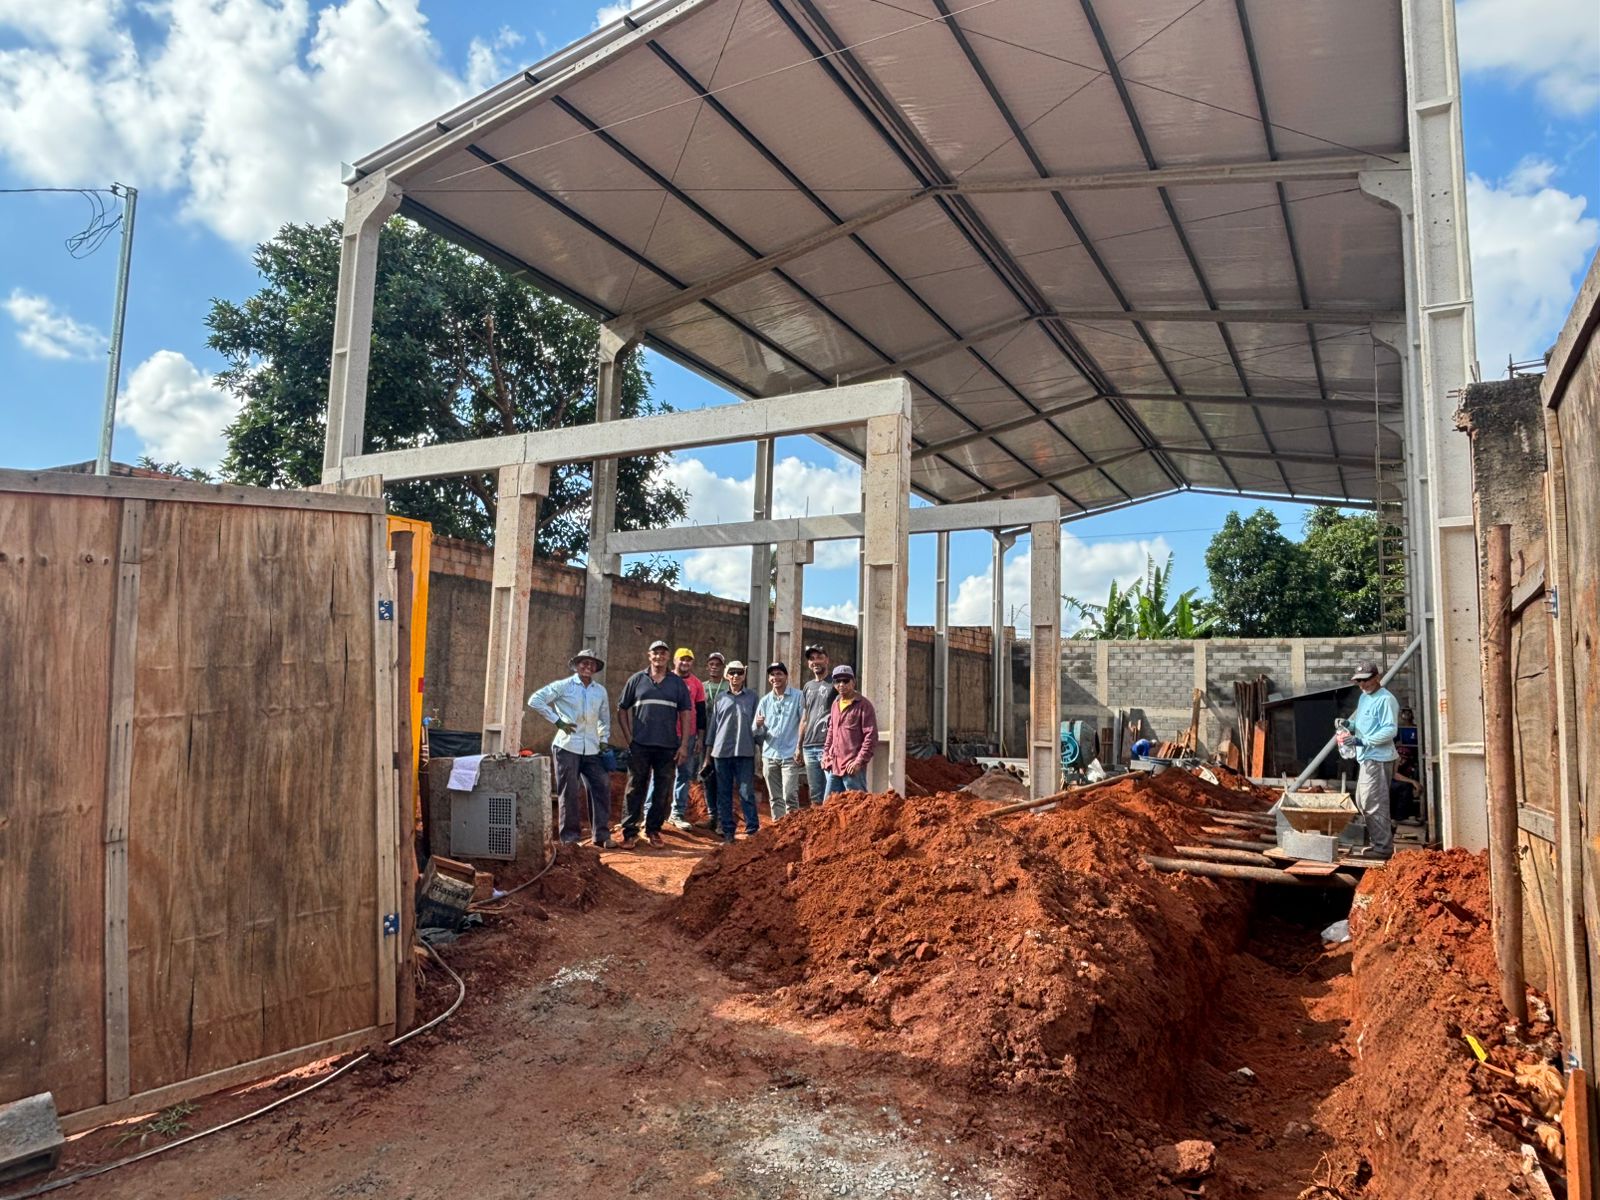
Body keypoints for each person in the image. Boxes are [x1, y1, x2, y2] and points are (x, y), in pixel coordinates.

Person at [527, 650, 612, 847]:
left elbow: (604, 717)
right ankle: (570, 839)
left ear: (595, 668)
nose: (588, 667)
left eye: (592, 664)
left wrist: (604, 738)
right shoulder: (564, 686)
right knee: (569, 791)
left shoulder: (600, 691)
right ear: (576, 665)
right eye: (584, 663)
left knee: (602, 785)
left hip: (592, 747)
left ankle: (601, 835)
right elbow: (535, 700)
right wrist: (558, 722)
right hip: (567, 746)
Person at [615, 640, 693, 848]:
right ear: (649, 656)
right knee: (634, 787)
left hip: (667, 746)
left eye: (663, 653)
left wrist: (683, 745)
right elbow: (621, 709)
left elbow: (686, 713)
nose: (659, 657)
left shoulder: (676, 683)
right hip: (640, 745)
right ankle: (630, 832)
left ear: (668, 658)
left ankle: (653, 830)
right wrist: (629, 738)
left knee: (662, 789)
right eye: (655, 653)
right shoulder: (636, 680)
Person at [1335, 661, 1400, 859]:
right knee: (1363, 802)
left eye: (1366, 681)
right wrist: (1349, 724)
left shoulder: (1386, 700)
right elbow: (1363, 724)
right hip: (1367, 757)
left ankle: (1383, 848)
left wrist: (1362, 740)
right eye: (1359, 681)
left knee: (1374, 803)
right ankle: (1382, 837)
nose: (1362, 685)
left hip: (1378, 758)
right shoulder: (1364, 698)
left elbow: (1390, 730)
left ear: (1377, 678)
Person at [706, 660, 759, 843]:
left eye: (739, 673)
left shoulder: (752, 697)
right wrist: (708, 756)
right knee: (724, 793)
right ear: (727, 675)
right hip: (722, 753)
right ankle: (728, 832)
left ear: (744, 675)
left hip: (745, 752)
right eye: (732, 673)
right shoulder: (720, 698)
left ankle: (753, 831)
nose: (736, 676)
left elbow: (757, 726)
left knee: (746, 792)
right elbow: (713, 727)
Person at [756, 661, 805, 819]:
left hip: (790, 755)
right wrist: (758, 725)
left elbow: (804, 722)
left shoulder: (798, 697)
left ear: (786, 676)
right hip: (770, 755)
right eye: (772, 674)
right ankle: (778, 830)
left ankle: (793, 830)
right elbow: (755, 732)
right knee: (775, 798)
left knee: (790, 795)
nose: (775, 677)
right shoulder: (765, 701)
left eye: (779, 674)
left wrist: (799, 747)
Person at [667, 648, 707, 832]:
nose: (685, 663)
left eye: (688, 660)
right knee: (660, 774)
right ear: (675, 661)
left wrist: (699, 737)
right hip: (666, 735)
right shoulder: (666, 680)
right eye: (682, 659)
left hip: (688, 736)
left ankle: (677, 813)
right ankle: (652, 813)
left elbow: (700, 713)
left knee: (683, 774)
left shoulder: (697, 684)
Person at [821, 664, 878, 795]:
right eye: (837, 681)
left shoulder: (864, 705)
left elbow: (871, 736)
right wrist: (826, 754)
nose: (841, 684)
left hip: (852, 768)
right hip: (834, 765)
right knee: (829, 807)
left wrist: (859, 761)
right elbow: (831, 731)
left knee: (857, 808)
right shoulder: (835, 704)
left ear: (853, 682)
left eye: (845, 681)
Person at [796, 644, 833, 804]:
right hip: (809, 747)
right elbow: (805, 718)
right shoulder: (807, 687)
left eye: (819, 657)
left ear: (827, 660)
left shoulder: (837, 684)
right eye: (812, 659)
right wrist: (799, 746)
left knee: (831, 794)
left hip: (828, 746)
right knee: (815, 795)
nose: (815, 661)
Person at [700, 652, 730, 834]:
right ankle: (712, 815)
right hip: (705, 739)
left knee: (722, 778)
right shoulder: (702, 687)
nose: (714, 667)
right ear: (707, 666)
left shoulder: (728, 686)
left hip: (724, 740)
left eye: (718, 664)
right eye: (711, 663)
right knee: (707, 777)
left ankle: (722, 819)